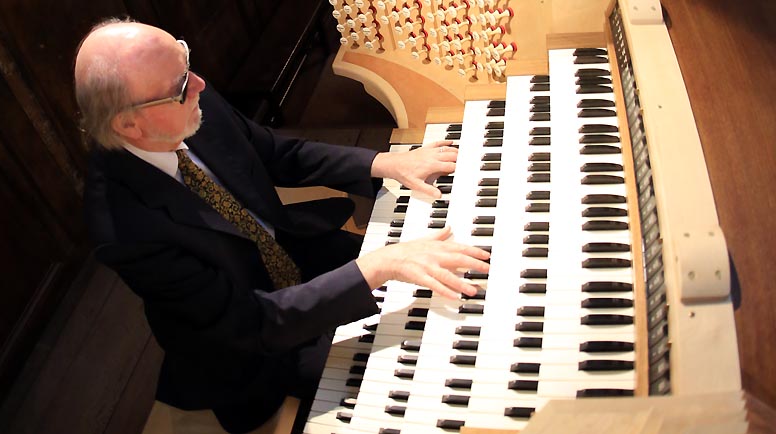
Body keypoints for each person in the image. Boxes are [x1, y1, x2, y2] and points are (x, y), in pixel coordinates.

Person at [75, 18, 490, 433]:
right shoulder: (123, 228)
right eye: (181, 86)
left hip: (295, 257)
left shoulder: (183, 98)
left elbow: (273, 152)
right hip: (255, 346)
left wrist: (384, 163)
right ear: (129, 125)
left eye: (186, 63)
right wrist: (380, 266)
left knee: (454, 268)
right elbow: (253, 324)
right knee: (420, 362)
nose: (200, 83)